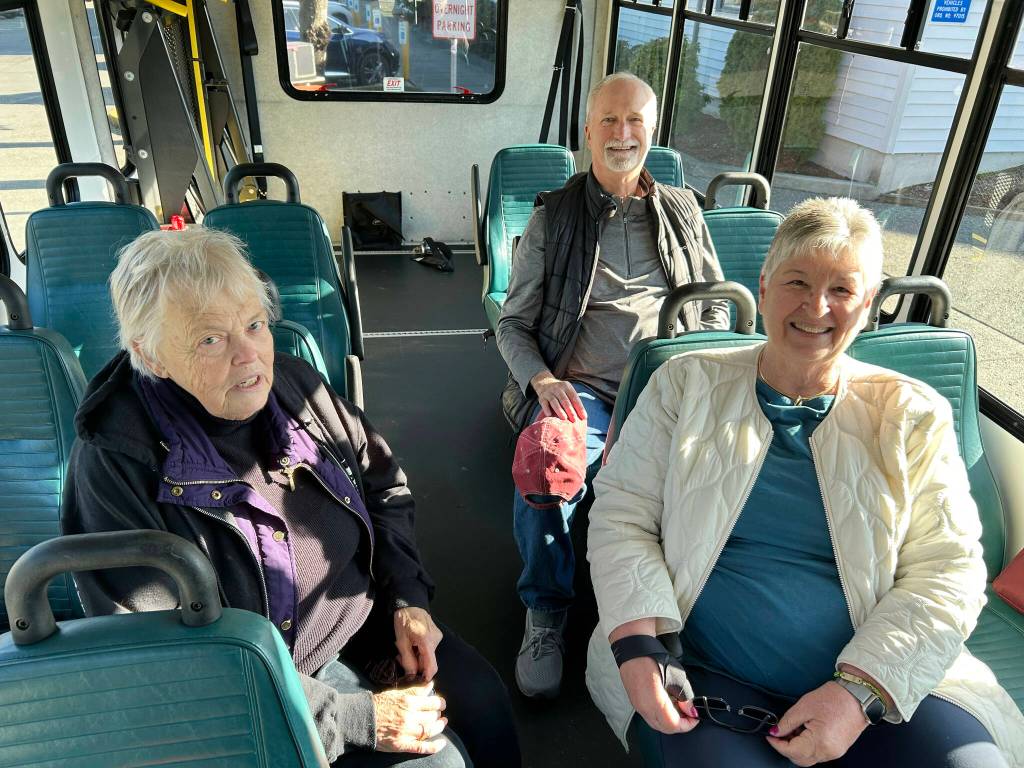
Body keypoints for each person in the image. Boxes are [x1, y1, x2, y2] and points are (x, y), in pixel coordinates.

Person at [585, 197, 1024, 767]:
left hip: (884, 681)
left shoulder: (913, 414)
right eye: (797, 281)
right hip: (703, 670)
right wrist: (639, 642)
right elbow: (623, 516)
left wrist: (859, 692)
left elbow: (949, 571)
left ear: (868, 303)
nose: (816, 306)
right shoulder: (684, 385)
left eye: (842, 289)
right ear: (764, 287)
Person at [62, 227, 521, 768]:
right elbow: (171, 659)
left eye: (255, 325)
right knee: (440, 764)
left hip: (360, 625)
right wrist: (353, 719)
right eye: (210, 340)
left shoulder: (299, 390)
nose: (249, 356)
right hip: (252, 685)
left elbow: (384, 487)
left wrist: (407, 599)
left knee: (485, 704)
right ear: (151, 354)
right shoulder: (116, 466)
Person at [496, 71, 730, 699]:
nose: (622, 133)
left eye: (635, 121)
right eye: (609, 120)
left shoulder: (683, 211)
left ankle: (675, 610)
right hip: (584, 391)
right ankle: (546, 610)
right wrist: (542, 379)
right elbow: (513, 324)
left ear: (652, 132)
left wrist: (703, 367)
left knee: (720, 474)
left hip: (672, 387)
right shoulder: (554, 216)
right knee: (548, 465)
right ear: (588, 132)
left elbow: (715, 307)